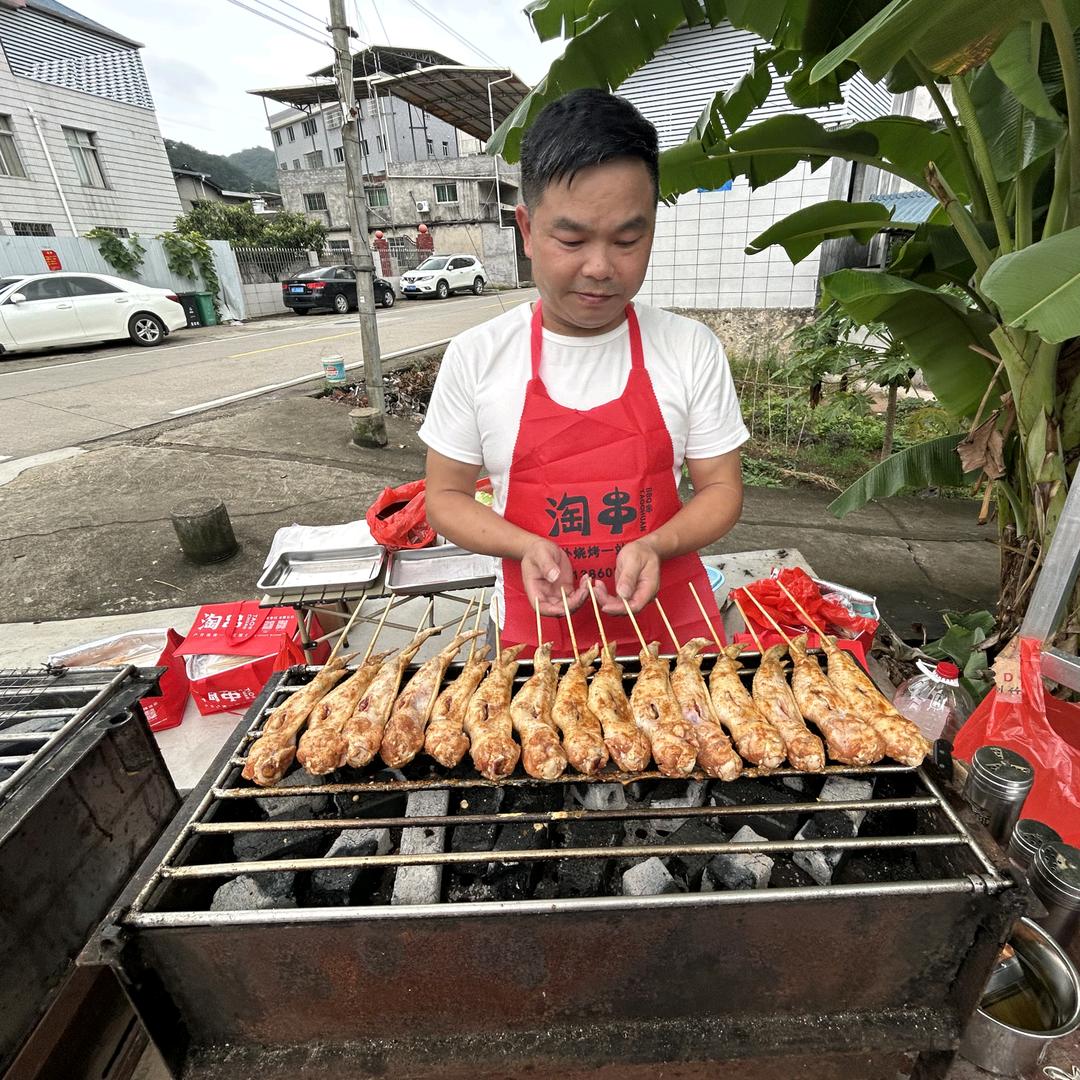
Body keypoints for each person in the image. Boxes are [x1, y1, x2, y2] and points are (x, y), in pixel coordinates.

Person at [419, 88, 748, 655]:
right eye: (571, 239)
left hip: (676, 636)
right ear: (526, 229)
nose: (600, 267)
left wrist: (657, 544)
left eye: (627, 239)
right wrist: (524, 547)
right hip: (541, 642)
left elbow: (721, 488)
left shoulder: (690, 347)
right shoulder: (477, 355)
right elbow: (444, 498)